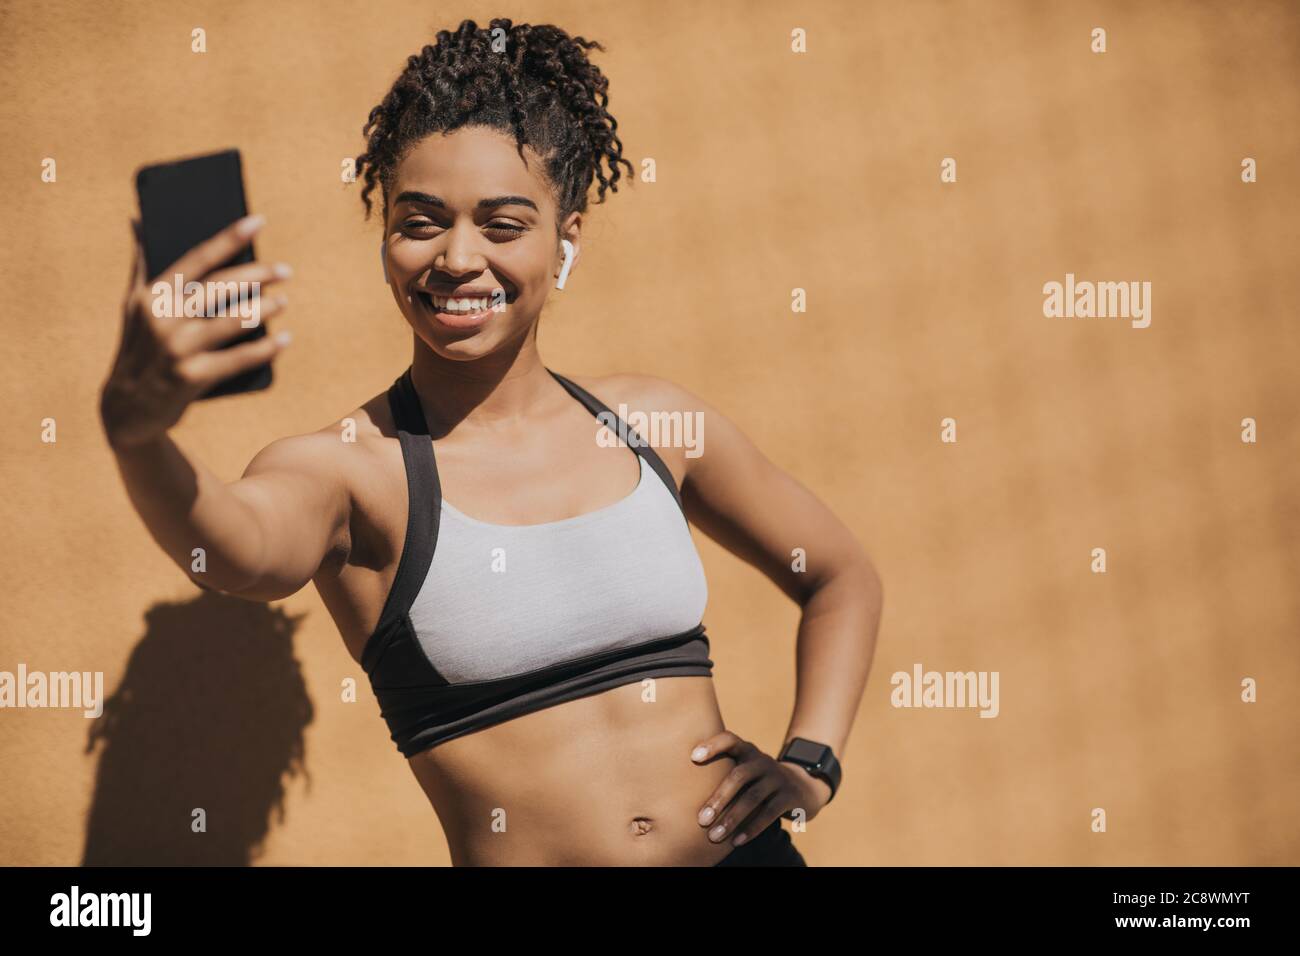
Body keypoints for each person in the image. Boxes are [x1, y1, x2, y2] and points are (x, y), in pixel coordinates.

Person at [99, 17, 883, 866]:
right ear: (386, 236)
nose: (457, 258)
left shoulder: (655, 425)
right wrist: (140, 435)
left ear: (566, 241)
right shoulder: (348, 471)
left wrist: (810, 766)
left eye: (503, 225)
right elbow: (236, 551)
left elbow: (841, 578)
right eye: (421, 221)